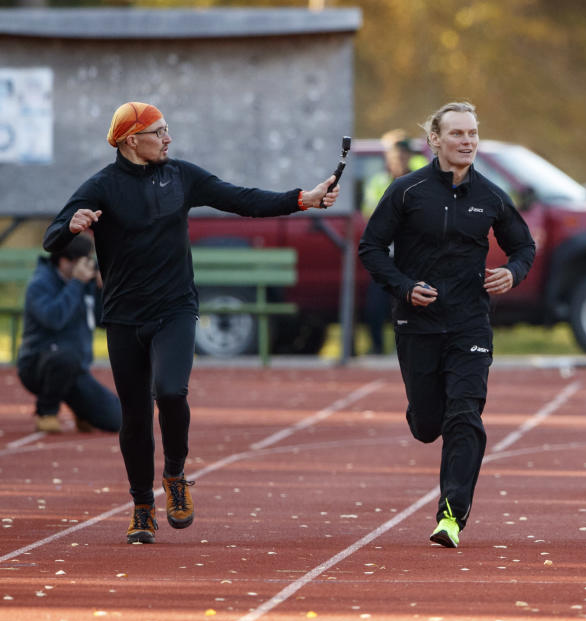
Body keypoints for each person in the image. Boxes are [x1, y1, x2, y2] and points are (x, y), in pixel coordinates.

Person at [42, 101, 340, 544]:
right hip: (124, 317)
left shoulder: (181, 177)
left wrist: (302, 199)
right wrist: (73, 225)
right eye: (159, 132)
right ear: (130, 141)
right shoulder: (101, 187)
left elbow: (242, 199)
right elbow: (52, 239)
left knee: (171, 391)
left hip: (175, 308)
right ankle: (142, 506)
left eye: (167, 130)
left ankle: (176, 475)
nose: (168, 138)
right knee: (136, 417)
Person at [358, 102, 536, 548]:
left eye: (473, 133)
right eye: (457, 134)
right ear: (435, 140)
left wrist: (512, 272)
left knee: (465, 414)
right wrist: (402, 287)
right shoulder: (406, 191)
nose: (467, 141)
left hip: (470, 323)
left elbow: (523, 246)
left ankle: (451, 515)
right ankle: (422, 414)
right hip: (417, 323)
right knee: (427, 424)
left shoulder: (491, 196)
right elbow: (372, 248)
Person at [17, 233, 122, 435]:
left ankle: (81, 409)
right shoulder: (40, 284)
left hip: (75, 369)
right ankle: (46, 412)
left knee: (116, 419)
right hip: (38, 365)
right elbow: (54, 319)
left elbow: (103, 321)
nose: (89, 265)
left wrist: (103, 290)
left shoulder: (87, 283)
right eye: (85, 260)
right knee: (66, 357)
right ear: (65, 261)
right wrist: (76, 284)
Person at [360, 129, 428, 355]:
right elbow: (371, 216)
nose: (400, 158)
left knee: (418, 300)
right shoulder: (378, 182)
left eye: (403, 154)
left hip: (414, 254)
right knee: (376, 305)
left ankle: (418, 346)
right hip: (387, 254)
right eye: (395, 154)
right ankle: (377, 346)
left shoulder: (421, 177)